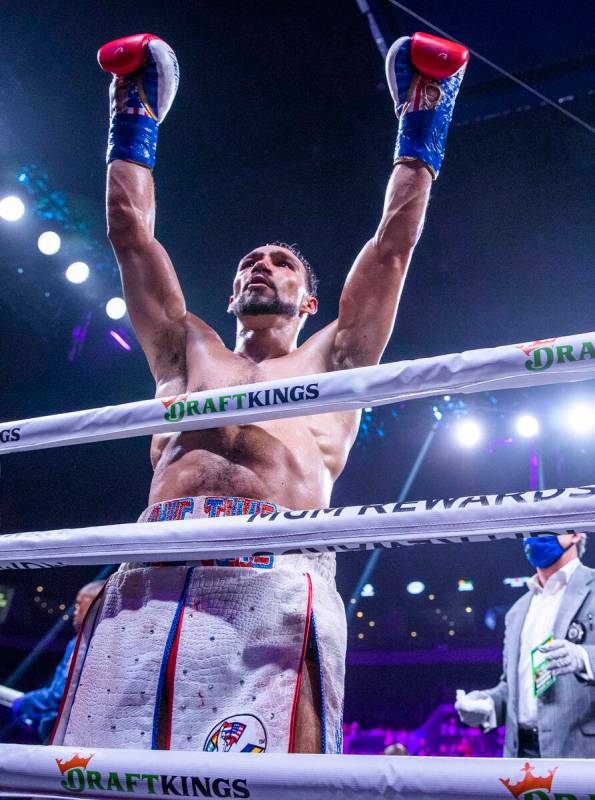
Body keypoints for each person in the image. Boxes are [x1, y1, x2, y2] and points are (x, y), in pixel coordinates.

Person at [51, 31, 468, 754]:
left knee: (274, 778)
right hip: (155, 565)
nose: (260, 267)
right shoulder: (187, 349)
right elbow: (129, 234)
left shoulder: (335, 359)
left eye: (280, 264)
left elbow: (394, 242)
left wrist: (424, 113)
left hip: (275, 572)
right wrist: (133, 110)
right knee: (100, 776)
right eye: (250, 261)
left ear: (310, 301)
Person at [455, 532, 595, 757]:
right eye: (531, 531)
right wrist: (487, 705)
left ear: (576, 535)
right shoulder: (517, 610)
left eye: (546, 529)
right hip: (520, 752)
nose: (535, 537)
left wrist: (583, 657)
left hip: (582, 751)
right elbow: (511, 686)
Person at [8, 581, 104, 742]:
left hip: (71, 739)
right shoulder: (95, 641)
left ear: (96, 606)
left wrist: (24, 703)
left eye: (80, 605)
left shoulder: (84, 643)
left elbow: (62, 694)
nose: (75, 612)